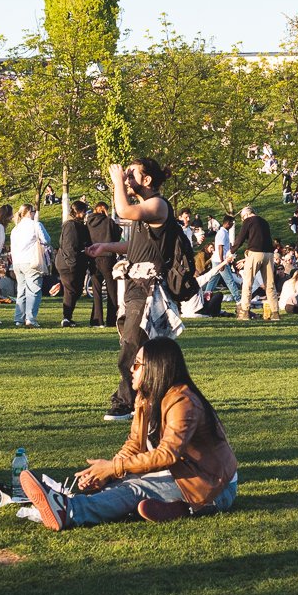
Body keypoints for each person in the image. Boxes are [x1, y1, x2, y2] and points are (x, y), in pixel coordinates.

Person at [22, 338, 237, 529]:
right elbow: (135, 443)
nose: (131, 369)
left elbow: (167, 455)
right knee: (121, 484)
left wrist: (113, 468)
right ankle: (177, 508)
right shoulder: (146, 396)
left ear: (155, 367)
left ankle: (69, 511)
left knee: (135, 488)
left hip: (212, 485)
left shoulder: (183, 401)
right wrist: (108, 474)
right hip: (178, 473)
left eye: (137, 364)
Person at [86, 157, 183, 422]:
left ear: (147, 180)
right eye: (126, 175)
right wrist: (106, 248)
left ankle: (124, 402)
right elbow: (136, 247)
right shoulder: (146, 209)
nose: (127, 179)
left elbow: (123, 211)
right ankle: (156, 398)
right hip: (135, 284)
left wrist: (117, 181)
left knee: (132, 345)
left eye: (132, 174)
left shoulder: (157, 205)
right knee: (142, 346)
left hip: (148, 286)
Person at [9, 203, 50, 328]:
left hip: (17, 262)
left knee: (21, 290)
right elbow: (47, 240)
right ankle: (30, 318)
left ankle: (18, 318)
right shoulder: (36, 225)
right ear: (30, 212)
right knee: (34, 290)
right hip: (31, 261)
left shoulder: (15, 229)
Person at [232, 206, 276, 321]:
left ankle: (245, 312)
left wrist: (231, 251)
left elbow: (241, 238)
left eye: (242, 218)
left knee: (248, 283)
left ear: (245, 215)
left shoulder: (248, 221)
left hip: (255, 253)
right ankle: (275, 313)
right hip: (269, 254)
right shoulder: (264, 222)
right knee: (270, 284)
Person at [55, 199, 91, 328]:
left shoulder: (77, 225)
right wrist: (73, 264)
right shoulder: (70, 225)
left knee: (75, 290)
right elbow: (69, 246)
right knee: (71, 290)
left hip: (73, 262)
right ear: (79, 212)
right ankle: (66, 317)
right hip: (68, 264)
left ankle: (68, 316)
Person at [86, 202, 121, 328]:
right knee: (112, 289)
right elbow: (117, 236)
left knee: (96, 289)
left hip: (93, 258)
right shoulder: (109, 222)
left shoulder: (89, 222)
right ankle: (111, 319)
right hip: (107, 257)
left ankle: (97, 319)